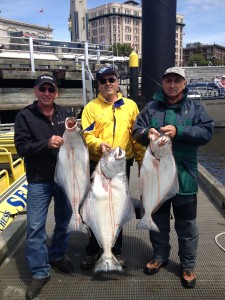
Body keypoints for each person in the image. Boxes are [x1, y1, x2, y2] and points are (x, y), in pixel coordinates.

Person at [132, 67, 214, 289]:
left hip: (185, 178)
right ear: (162, 83)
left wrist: (180, 131)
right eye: (168, 80)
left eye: (177, 81)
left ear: (184, 84)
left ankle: (188, 265)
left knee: (187, 227)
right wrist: (147, 132)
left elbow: (206, 132)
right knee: (157, 222)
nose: (172, 84)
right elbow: (136, 130)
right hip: (155, 179)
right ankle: (160, 256)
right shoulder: (151, 107)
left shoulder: (195, 108)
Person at [14, 74, 74, 300]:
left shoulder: (66, 114)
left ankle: (57, 254)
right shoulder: (24, 116)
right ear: (35, 91)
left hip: (65, 179)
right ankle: (40, 271)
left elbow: (75, 141)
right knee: (35, 227)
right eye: (43, 89)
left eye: (51, 89)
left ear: (56, 92)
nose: (47, 93)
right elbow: (22, 148)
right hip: (39, 180)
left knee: (64, 221)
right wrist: (46, 144)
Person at [81, 66, 146, 270]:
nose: (108, 83)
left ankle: (115, 251)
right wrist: (98, 144)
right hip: (96, 164)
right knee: (95, 206)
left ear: (118, 82)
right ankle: (93, 250)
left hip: (120, 165)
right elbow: (87, 134)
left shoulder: (131, 106)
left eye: (111, 79)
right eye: (103, 81)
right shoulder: (91, 108)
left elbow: (136, 138)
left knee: (117, 207)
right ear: (98, 85)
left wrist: (142, 163)